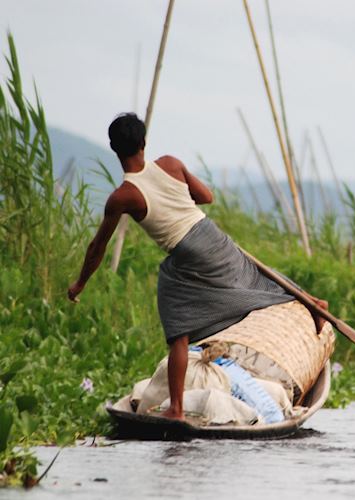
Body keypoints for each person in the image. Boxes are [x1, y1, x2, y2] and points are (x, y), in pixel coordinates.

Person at [68, 113, 327, 421]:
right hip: (211, 235)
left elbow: (98, 246)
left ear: (114, 148)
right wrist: (177, 196)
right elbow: (206, 196)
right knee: (254, 280)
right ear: (143, 142)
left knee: (179, 328)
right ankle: (313, 303)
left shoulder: (122, 196)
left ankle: (176, 409)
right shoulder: (171, 164)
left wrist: (80, 283)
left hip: (186, 250)